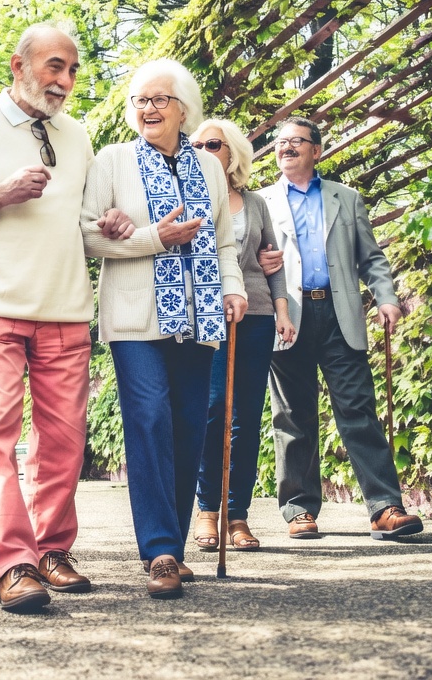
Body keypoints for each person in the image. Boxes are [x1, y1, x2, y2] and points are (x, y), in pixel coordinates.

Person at [0, 23, 133, 613]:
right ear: (19, 65)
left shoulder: (79, 136)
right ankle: (13, 563)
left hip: (64, 307)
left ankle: (52, 550)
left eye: (72, 71)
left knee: (64, 443)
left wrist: (108, 227)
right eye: (54, 67)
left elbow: (83, 224)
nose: (64, 82)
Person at [81, 59, 247, 599]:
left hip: (199, 315)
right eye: (139, 101)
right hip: (134, 319)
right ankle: (159, 551)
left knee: (188, 425)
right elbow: (87, 236)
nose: (146, 109)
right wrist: (155, 236)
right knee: (149, 417)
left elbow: (224, 241)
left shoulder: (211, 169)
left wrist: (233, 287)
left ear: (183, 109)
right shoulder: (111, 161)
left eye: (158, 100)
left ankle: (172, 545)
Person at [257, 116, 423, 541]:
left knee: (357, 408)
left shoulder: (346, 198)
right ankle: (298, 509)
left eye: (297, 141)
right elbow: (246, 259)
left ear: (317, 150)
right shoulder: (260, 201)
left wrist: (386, 296)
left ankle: (385, 507)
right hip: (286, 315)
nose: (286, 147)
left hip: (338, 313)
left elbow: (371, 258)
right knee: (292, 415)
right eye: (281, 141)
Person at [189, 118, 295, 553]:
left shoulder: (254, 204)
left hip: (255, 315)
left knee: (245, 418)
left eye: (211, 144)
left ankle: (238, 516)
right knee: (213, 410)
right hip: (206, 315)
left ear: (231, 152)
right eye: (194, 144)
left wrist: (283, 311)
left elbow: (272, 259)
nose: (202, 150)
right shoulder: (187, 196)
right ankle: (206, 511)